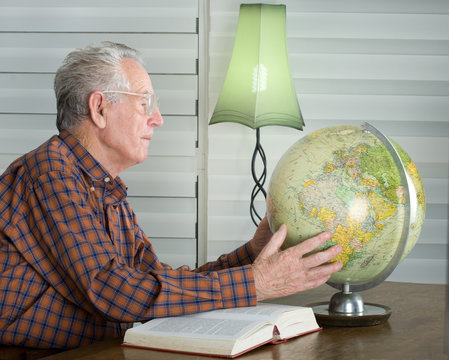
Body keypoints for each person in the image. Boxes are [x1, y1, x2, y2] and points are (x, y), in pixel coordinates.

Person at [0, 42, 342, 349]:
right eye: (145, 103)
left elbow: (156, 285)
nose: (158, 119)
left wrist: (250, 256)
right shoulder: (50, 172)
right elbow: (114, 292)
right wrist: (256, 283)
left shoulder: (104, 189)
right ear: (100, 108)